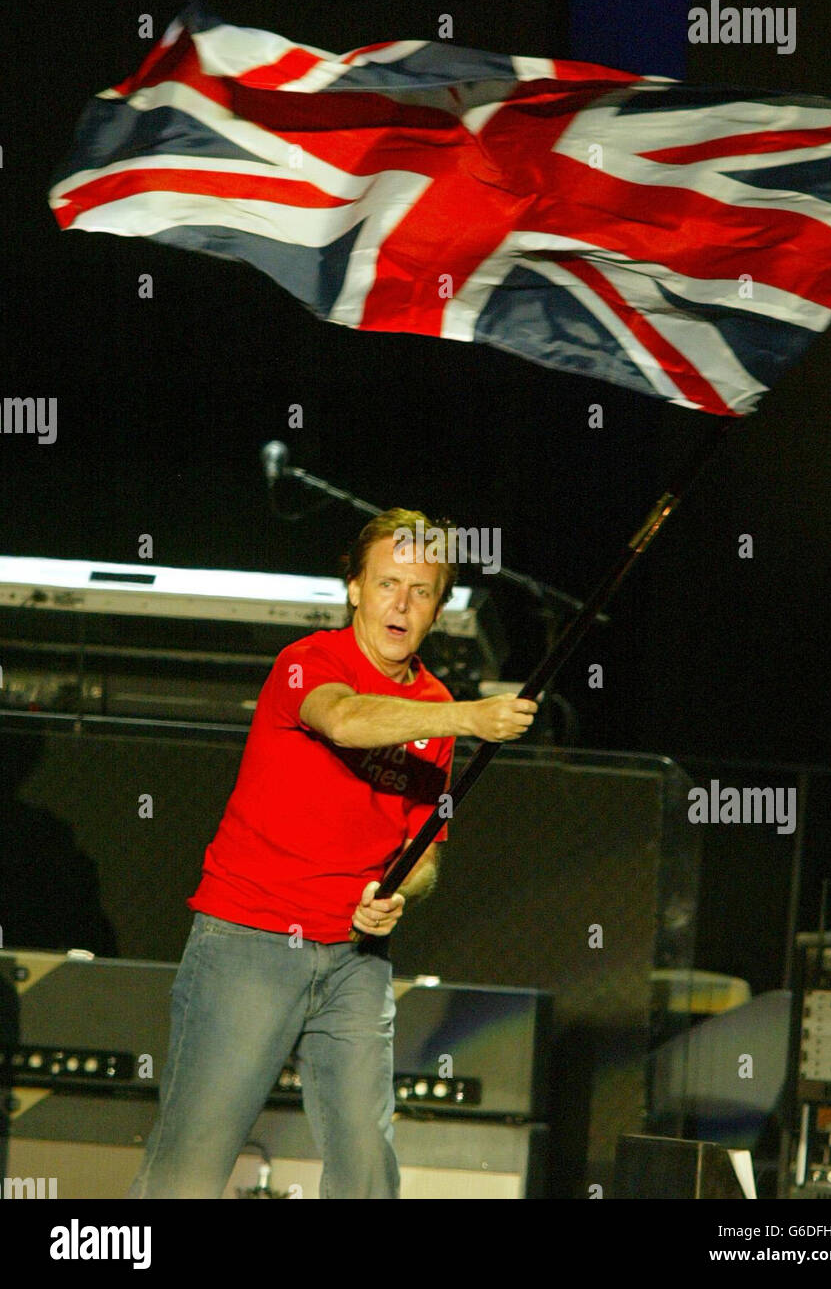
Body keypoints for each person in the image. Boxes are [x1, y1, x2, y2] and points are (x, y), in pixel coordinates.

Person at [127, 507, 538, 1199]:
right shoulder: (309, 663)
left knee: (367, 1167)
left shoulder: (432, 708)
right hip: (249, 941)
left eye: (420, 590)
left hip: (354, 961)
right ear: (354, 588)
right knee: (189, 1167)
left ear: (439, 608)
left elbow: (425, 849)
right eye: (386, 584)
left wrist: (402, 893)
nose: (400, 604)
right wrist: (471, 715)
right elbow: (346, 719)